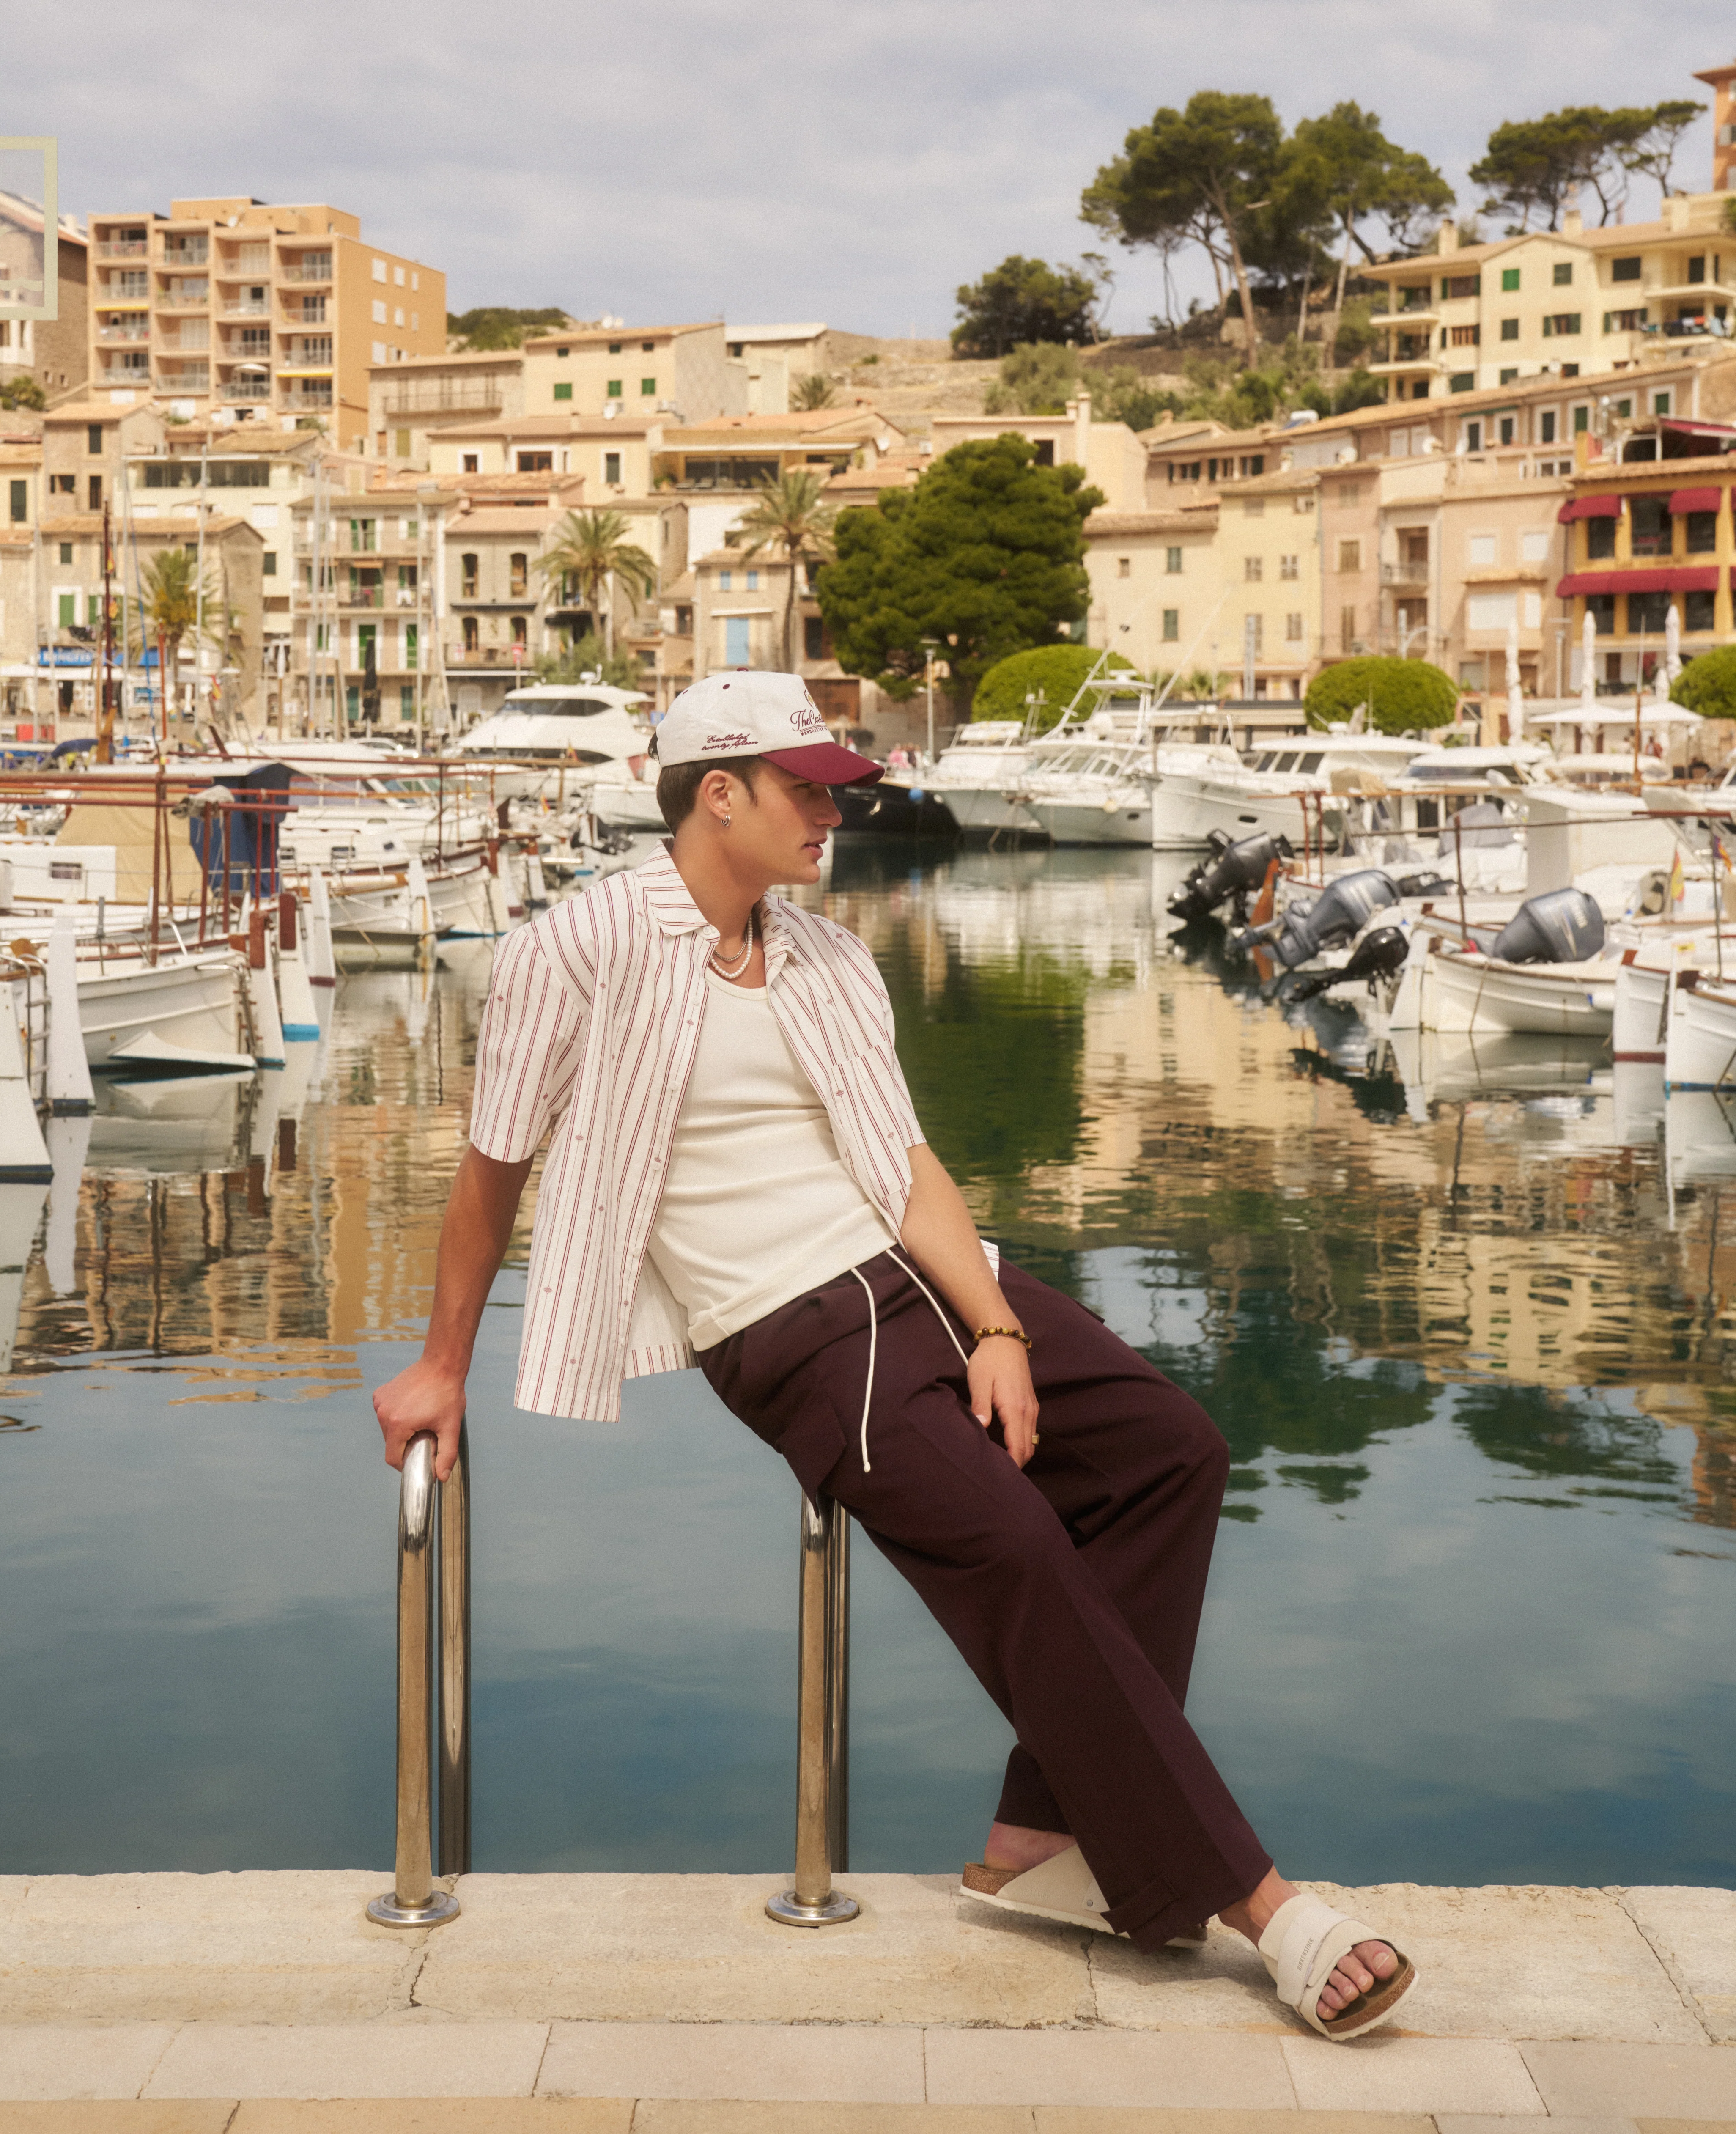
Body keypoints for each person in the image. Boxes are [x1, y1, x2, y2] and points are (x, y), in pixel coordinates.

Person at [373, 672, 1415, 2042]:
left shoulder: (825, 955)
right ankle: (1265, 1908)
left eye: (836, 787)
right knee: (1023, 1556)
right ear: (718, 793)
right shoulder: (574, 948)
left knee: (1173, 1454)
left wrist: (993, 1322)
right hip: (790, 1332)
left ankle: (1040, 1840)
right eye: (808, 788)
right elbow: (491, 1164)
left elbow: (904, 1158)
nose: (836, 809)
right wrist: (441, 1363)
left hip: (921, 1282)